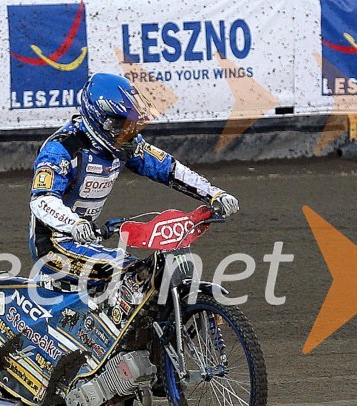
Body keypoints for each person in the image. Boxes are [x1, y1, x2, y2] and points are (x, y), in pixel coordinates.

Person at [28, 72, 239, 293]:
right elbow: (41, 200)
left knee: (149, 274)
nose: (126, 131)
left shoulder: (124, 145)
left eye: (130, 123)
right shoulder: (60, 149)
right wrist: (74, 224)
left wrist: (214, 194)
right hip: (54, 245)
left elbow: (169, 168)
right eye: (120, 124)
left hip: (88, 240)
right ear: (97, 117)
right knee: (130, 271)